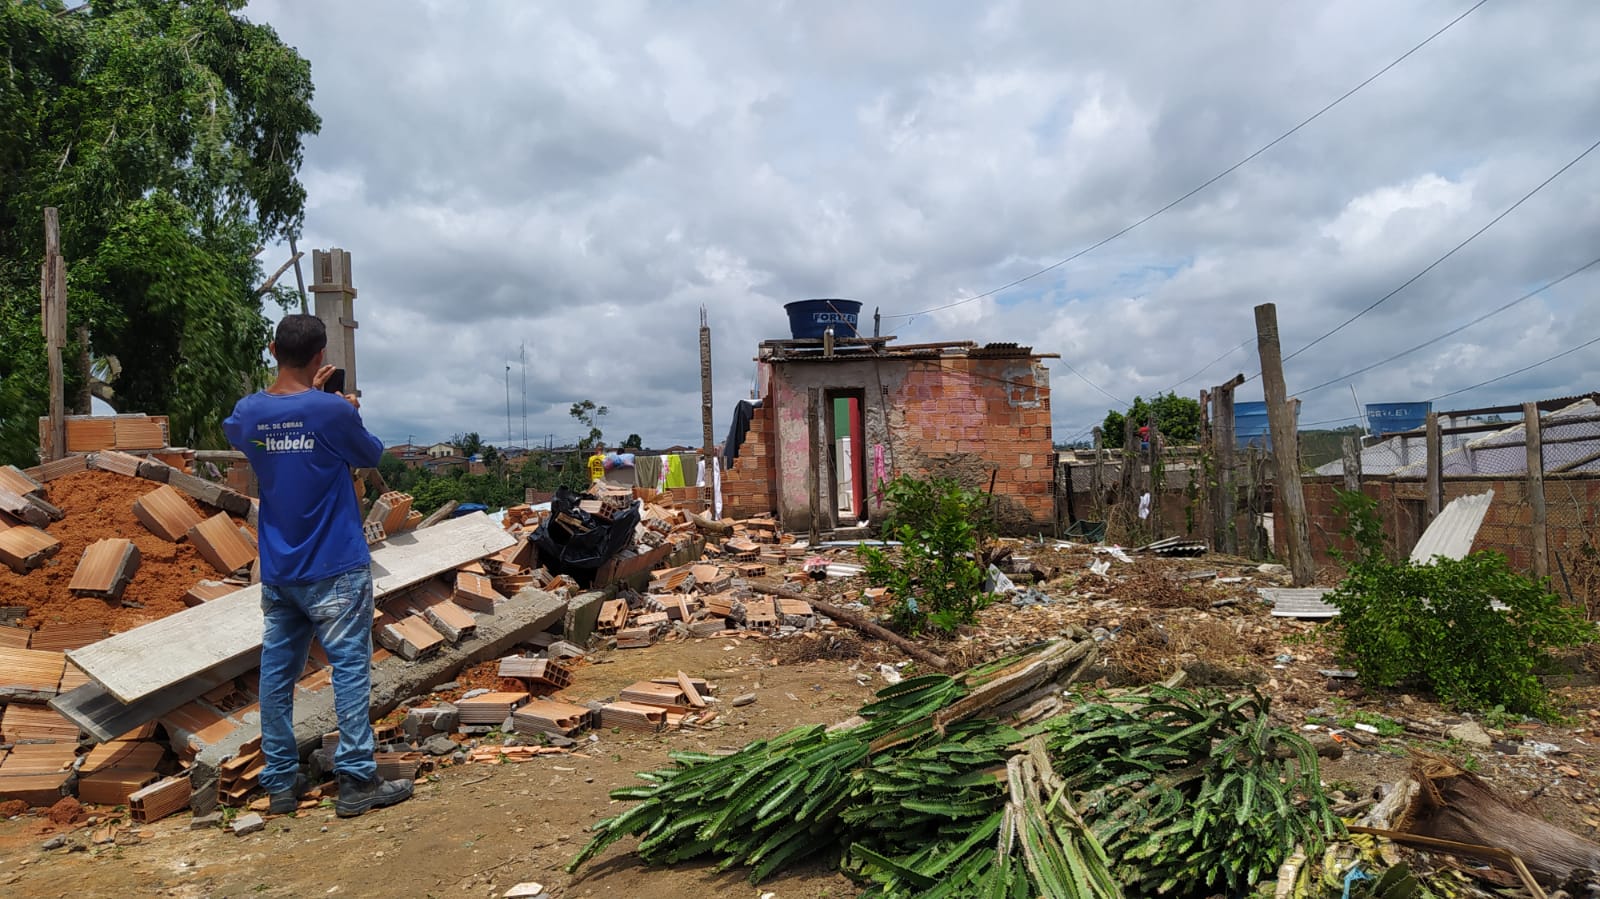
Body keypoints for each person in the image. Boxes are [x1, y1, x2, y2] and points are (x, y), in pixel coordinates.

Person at [224, 315, 413, 819]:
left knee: (276, 673)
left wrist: (310, 409)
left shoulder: (247, 413)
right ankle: (355, 780)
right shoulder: (332, 411)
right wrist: (342, 406)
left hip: (281, 569)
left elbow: (255, 436)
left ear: (271, 349)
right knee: (349, 669)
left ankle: (282, 783)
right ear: (320, 355)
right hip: (335, 564)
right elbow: (370, 454)